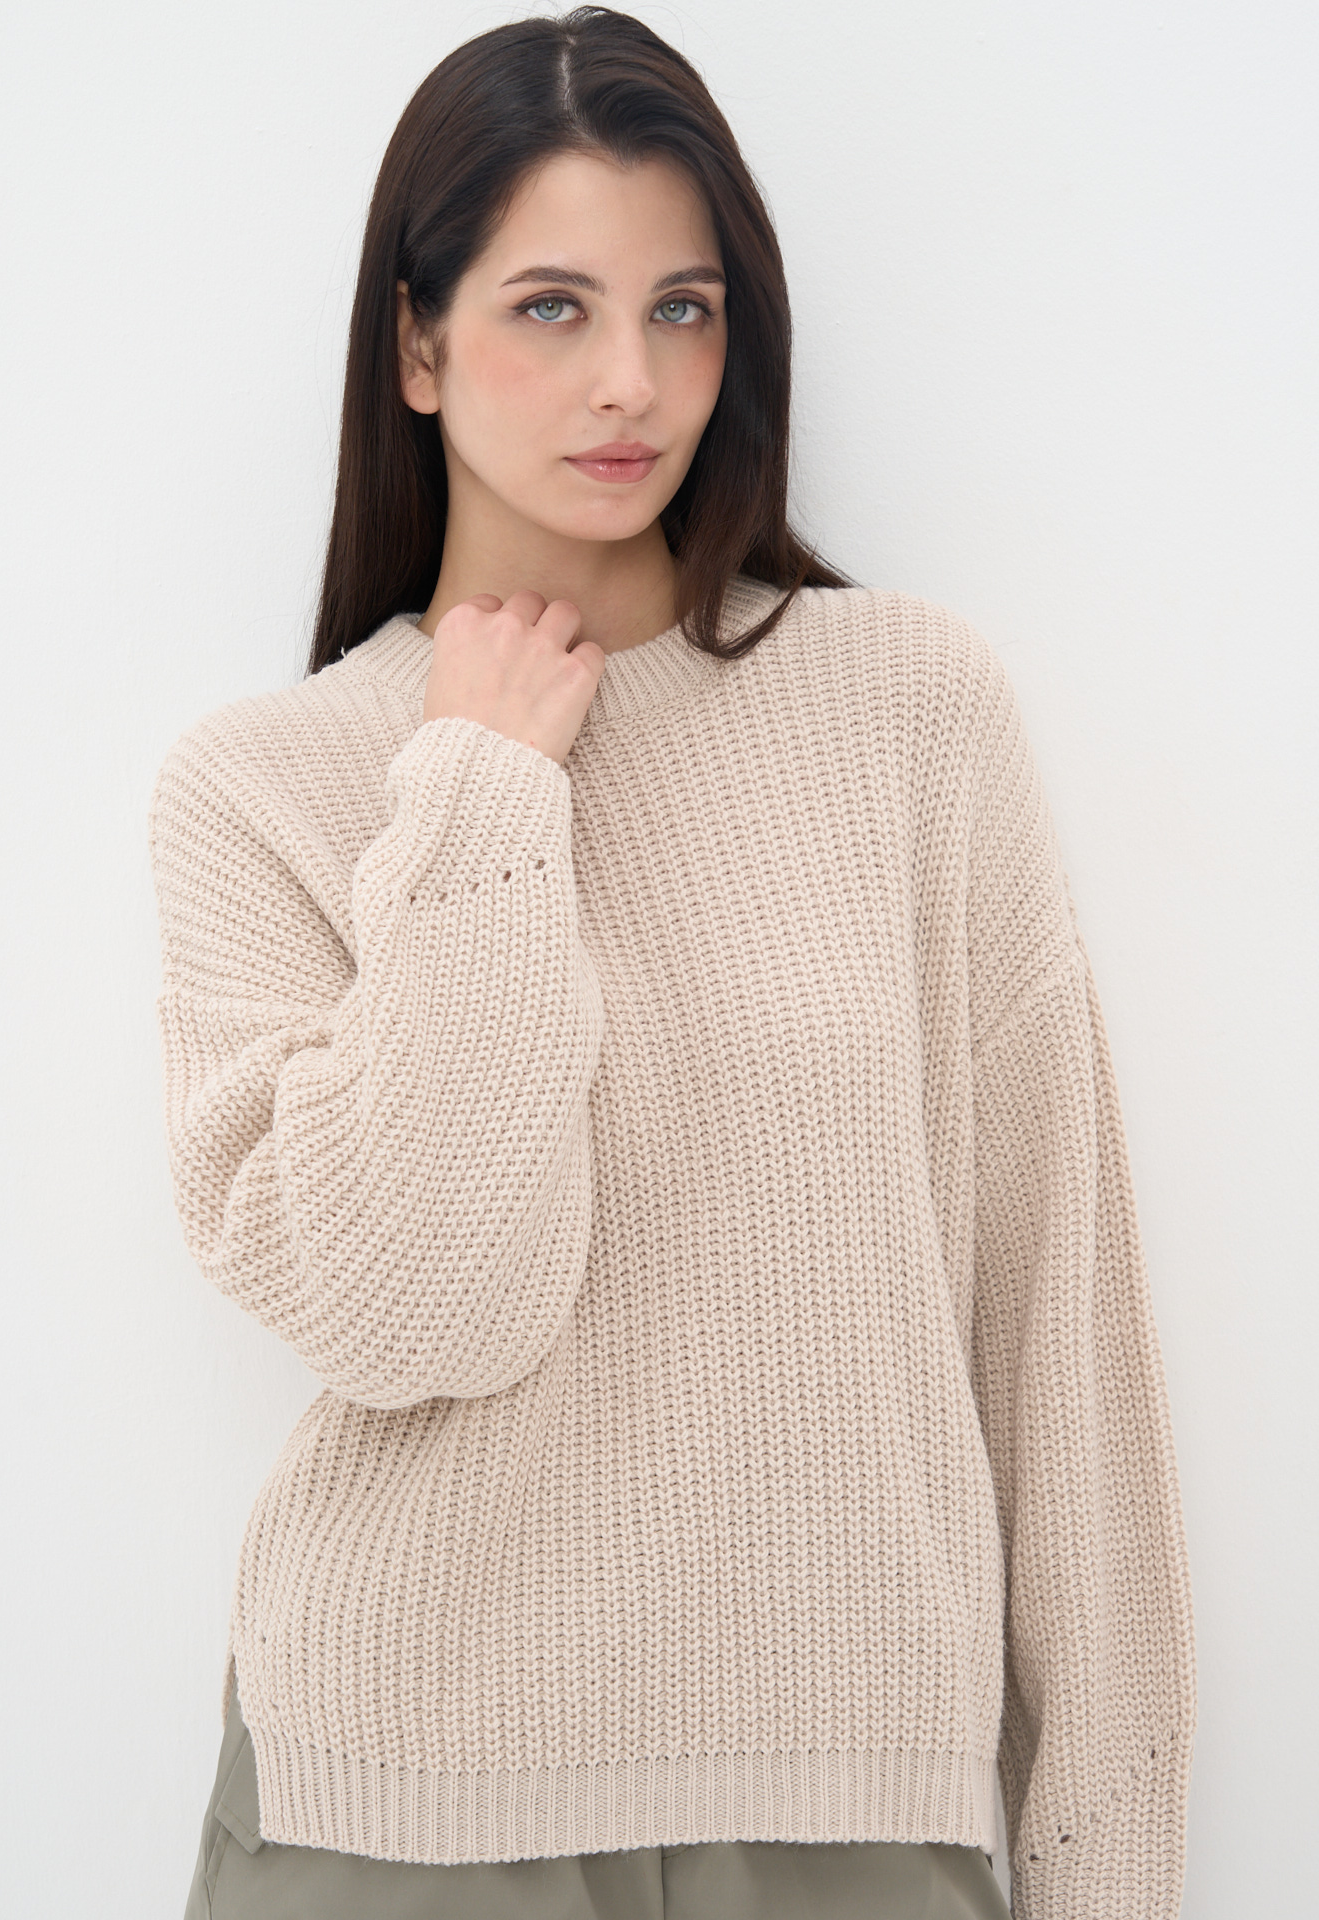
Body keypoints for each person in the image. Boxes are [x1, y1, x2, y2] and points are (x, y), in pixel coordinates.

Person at [150, 10, 1197, 1917]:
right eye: (551, 307)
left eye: (684, 309)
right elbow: (423, 1309)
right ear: (415, 344)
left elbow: (1058, 1323)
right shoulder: (266, 788)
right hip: (397, 1814)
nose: (631, 381)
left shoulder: (907, 712)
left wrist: (1105, 1865)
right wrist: (479, 793)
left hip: (848, 1807)